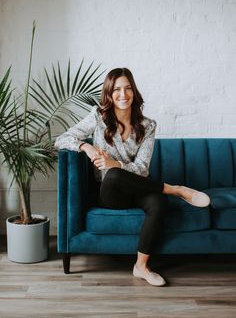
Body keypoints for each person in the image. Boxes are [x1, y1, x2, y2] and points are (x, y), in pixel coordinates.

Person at [55, 67, 210, 286]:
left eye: (128, 88)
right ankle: (176, 189)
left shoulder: (148, 126)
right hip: (109, 193)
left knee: (158, 201)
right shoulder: (98, 117)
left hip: (136, 186)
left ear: (134, 92)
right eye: (117, 89)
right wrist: (85, 147)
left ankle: (141, 266)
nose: (123, 94)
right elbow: (61, 139)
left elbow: (142, 169)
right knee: (114, 176)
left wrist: (115, 163)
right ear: (109, 94)